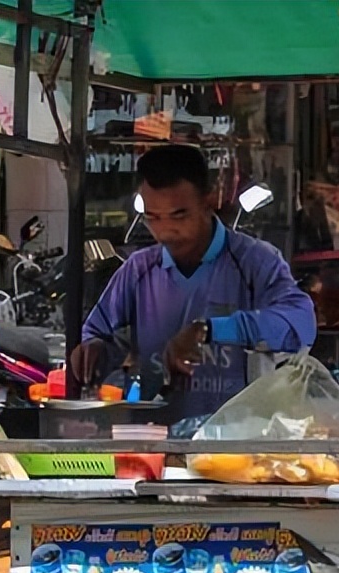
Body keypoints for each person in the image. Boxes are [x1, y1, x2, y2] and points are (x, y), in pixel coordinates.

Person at [73, 145, 317, 425]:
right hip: (155, 443)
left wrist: (209, 330)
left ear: (208, 201)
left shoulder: (254, 262)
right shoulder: (138, 270)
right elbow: (96, 333)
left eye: (178, 216)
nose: (165, 230)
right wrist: (92, 350)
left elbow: (301, 326)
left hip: (237, 445)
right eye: (153, 217)